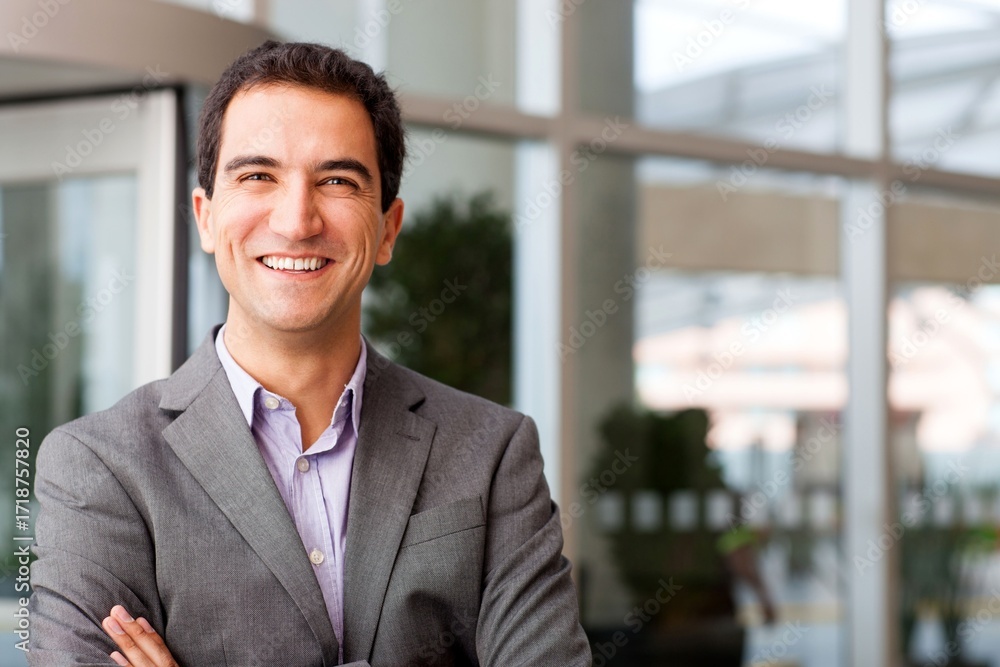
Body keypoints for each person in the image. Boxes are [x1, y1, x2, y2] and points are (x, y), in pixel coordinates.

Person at [27, 40, 591, 667]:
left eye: (337, 181)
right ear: (205, 217)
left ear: (388, 229)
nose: (297, 222)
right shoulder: (100, 466)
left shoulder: (491, 452)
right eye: (258, 176)